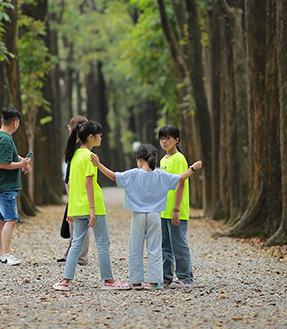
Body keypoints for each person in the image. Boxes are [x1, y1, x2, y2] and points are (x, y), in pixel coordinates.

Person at [90, 144, 202, 289]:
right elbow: (181, 178)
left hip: (138, 215)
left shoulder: (133, 174)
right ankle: (153, 282)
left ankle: (136, 281)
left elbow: (113, 176)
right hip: (155, 215)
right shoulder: (161, 174)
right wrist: (193, 168)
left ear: (139, 159)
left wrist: (98, 165)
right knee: (155, 248)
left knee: (135, 247)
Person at [52, 120, 130, 291]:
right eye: (99, 135)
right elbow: (88, 183)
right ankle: (108, 281)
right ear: (91, 137)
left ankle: (65, 281)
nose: (101, 137)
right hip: (93, 206)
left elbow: (72, 184)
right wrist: (93, 209)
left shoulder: (74, 155)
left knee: (76, 244)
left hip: (78, 207)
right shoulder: (90, 157)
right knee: (103, 243)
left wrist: (71, 209)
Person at [0, 106, 31, 266]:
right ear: (15, 123)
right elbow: (3, 163)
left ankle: (0, 253)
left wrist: (21, 162)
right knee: (11, 220)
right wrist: (20, 163)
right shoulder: (6, 139)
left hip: (1, 185)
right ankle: (6, 254)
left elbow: (9, 157)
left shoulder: (1, 136)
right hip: (6, 186)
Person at [158, 124, 197, 288]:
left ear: (176, 140)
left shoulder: (179, 158)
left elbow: (180, 183)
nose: (164, 141)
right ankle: (166, 277)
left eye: (168, 138)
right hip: (163, 210)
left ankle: (186, 278)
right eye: (162, 138)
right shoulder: (162, 160)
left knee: (179, 245)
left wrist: (176, 209)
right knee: (165, 246)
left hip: (176, 210)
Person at [58, 115, 90, 266]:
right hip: (71, 184)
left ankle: (81, 256)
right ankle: (73, 251)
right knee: (74, 220)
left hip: (76, 185)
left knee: (79, 219)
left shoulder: (81, 147)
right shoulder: (75, 145)